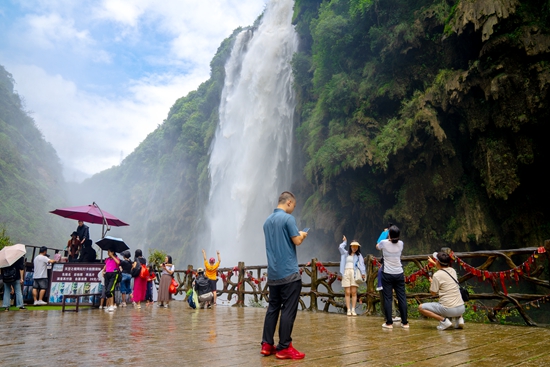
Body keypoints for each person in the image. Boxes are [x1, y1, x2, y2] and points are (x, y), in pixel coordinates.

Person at [261, 191, 308, 360]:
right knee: (288, 309)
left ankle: (267, 344)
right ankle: (284, 347)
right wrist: (302, 234)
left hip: (273, 274)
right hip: (289, 273)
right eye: (293, 206)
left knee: (273, 307)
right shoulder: (288, 219)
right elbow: (296, 241)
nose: (293, 210)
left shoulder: (267, 222)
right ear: (289, 202)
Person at [418, 252, 465, 330]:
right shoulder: (452, 270)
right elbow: (444, 271)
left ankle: (444, 321)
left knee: (421, 308)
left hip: (448, 310)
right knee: (453, 295)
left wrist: (432, 283)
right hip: (461, 308)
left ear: (438, 262)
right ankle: (460, 319)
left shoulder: (437, 275)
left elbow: (433, 293)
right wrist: (433, 263)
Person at [376, 225, 409, 329]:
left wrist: (385, 233)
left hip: (387, 274)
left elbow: (377, 245)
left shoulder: (384, 243)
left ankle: (389, 323)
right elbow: (394, 240)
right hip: (399, 273)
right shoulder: (401, 244)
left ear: (389, 234)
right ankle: (405, 323)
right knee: (402, 298)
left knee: (388, 298)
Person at [338, 235, 366, 316]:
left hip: (354, 273)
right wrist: (344, 242)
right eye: (353, 246)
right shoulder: (345, 253)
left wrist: (363, 273)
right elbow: (340, 247)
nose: (354, 248)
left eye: (356, 246)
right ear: (350, 247)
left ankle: (353, 309)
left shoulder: (359, 255)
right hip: (346, 272)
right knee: (347, 292)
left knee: (354, 292)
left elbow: (361, 264)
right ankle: (348, 309)